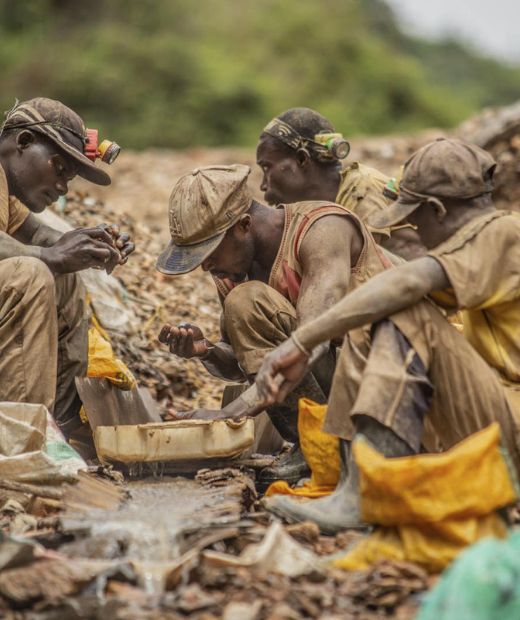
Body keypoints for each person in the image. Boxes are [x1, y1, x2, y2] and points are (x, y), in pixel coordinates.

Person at [255, 138, 520, 533]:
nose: (415, 230)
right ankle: (357, 481)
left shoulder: (502, 233)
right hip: (496, 414)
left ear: (438, 210)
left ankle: (369, 493)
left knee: (400, 308)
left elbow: (407, 282)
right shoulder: (482, 249)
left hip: (509, 430)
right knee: (374, 308)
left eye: (416, 218)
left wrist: (300, 341)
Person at [156, 164, 396, 485]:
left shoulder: (322, 230)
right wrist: (208, 352)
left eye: (209, 253)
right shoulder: (232, 271)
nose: (206, 266)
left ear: (242, 226)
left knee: (246, 301)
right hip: (339, 389)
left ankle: (341, 448)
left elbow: (311, 340)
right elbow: (249, 364)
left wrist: (231, 414)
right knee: (243, 301)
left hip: (388, 383)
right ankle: (314, 446)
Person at [0, 97, 134, 437]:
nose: (62, 187)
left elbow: (39, 234)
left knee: (65, 278)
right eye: (59, 169)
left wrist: (88, 242)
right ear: (24, 142)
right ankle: (22, 441)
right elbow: (39, 254)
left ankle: (58, 425)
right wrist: (49, 258)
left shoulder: (6, 192)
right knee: (31, 274)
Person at [256, 107, 424, 260]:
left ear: (302, 159)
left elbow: (366, 269)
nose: (263, 186)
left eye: (267, 167)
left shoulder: (362, 190)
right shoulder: (321, 210)